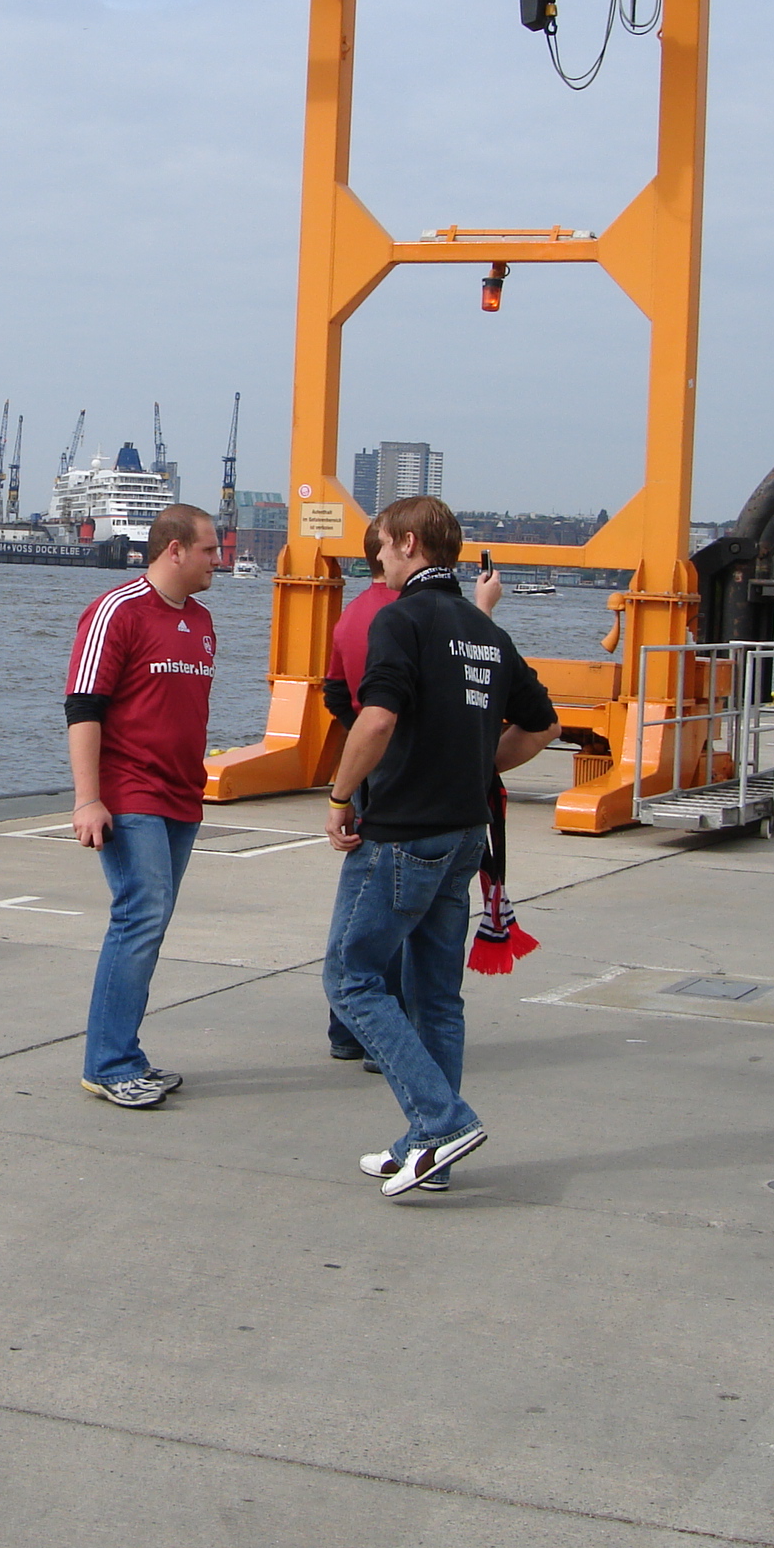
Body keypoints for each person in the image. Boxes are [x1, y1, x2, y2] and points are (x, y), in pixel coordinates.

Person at [322, 495, 558, 1198]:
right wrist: (478, 766)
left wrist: (339, 797)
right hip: (464, 835)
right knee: (436, 996)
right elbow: (542, 726)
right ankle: (431, 1152)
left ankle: (441, 1119)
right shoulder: (484, 629)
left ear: (408, 544)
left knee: (351, 977)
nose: (377, 561)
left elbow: (375, 720)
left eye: (380, 548)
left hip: (403, 833)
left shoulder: (401, 620)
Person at [319, 516, 503, 1065]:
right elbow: (472, 690)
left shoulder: (357, 615)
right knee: (430, 979)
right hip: (448, 806)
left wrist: (347, 783)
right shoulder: (437, 619)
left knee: (362, 944)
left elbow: (340, 696)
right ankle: (427, 1088)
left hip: (381, 781)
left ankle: (352, 1036)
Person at [64, 502, 220, 1108]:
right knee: (140, 913)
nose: (218, 560)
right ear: (174, 549)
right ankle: (108, 1063)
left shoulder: (202, 621)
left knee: (152, 921)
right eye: (209, 550)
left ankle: (124, 1051)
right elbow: (84, 706)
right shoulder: (117, 611)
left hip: (183, 795)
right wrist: (88, 799)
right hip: (130, 792)